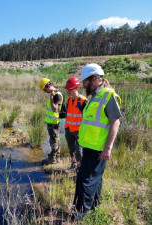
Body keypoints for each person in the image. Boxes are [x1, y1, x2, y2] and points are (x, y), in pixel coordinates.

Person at [72, 63, 122, 220]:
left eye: (85, 81)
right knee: (95, 178)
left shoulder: (108, 96)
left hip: (98, 149)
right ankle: (95, 206)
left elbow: (115, 122)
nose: (84, 84)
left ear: (93, 79)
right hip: (89, 146)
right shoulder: (94, 98)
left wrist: (108, 148)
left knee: (84, 181)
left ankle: (78, 215)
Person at [63, 77, 88, 173]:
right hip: (68, 129)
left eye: (70, 89)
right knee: (72, 150)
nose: (68, 91)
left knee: (79, 152)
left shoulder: (83, 101)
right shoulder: (68, 101)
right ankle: (73, 166)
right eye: (67, 89)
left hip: (79, 131)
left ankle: (80, 169)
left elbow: (88, 118)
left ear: (76, 88)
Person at [38, 78, 64, 164]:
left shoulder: (56, 95)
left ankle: (52, 159)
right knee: (55, 140)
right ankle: (57, 158)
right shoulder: (56, 94)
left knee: (54, 141)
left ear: (48, 86)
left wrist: (51, 98)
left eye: (44, 89)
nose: (44, 91)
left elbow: (55, 109)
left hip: (53, 123)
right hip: (52, 122)